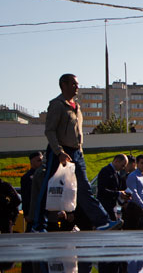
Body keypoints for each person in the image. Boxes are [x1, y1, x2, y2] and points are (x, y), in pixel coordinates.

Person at [34, 73, 120, 232]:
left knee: (84, 189)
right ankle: (39, 225)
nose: (77, 87)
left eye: (77, 84)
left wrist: (79, 152)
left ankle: (102, 222)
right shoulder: (57, 105)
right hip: (59, 152)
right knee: (49, 187)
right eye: (73, 84)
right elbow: (50, 131)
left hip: (76, 153)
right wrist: (59, 151)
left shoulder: (77, 106)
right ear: (63, 85)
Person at [96, 154, 129, 221]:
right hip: (105, 206)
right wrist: (119, 193)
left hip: (113, 206)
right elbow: (102, 190)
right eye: (122, 165)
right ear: (116, 161)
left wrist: (122, 196)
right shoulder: (105, 171)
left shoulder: (116, 173)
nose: (123, 168)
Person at [123, 154, 143, 230]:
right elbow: (134, 193)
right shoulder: (133, 176)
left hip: (142, 207)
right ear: (137, 164)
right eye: (142, 163)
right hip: (134, 207)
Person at [21, 151, 43, 231]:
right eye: (38, 160)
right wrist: (26, 213)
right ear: (32, 162)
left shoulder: (45, 174)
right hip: (33, 211)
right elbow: (25, 196)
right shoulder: (26, 178)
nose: (41, 163)